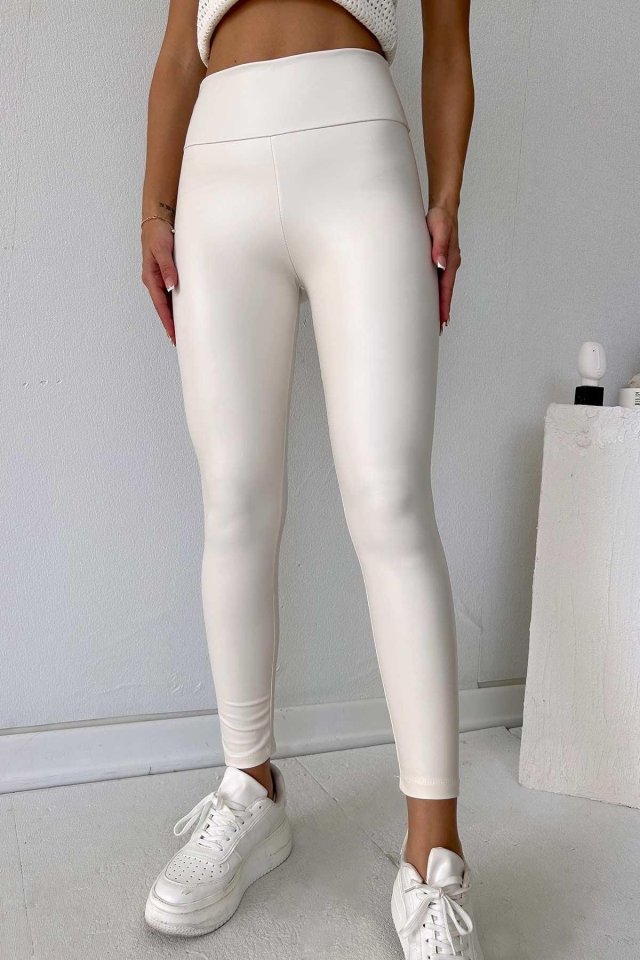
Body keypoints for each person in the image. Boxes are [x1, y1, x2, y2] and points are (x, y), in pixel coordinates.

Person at [140, 0, 483, 956]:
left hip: (358, 156)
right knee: (234, 502)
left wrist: (447, 195)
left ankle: (433, 855)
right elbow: (177, 51)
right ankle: (249, 788)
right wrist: (154, 207)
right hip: (216, 169)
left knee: (390, 499)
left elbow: (450, 42)